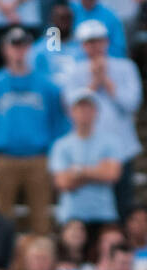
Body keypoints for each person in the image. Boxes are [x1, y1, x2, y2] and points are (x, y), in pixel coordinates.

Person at [0, 25, 67, 236]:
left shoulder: (47, 86)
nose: (19, 51)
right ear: (5, 50)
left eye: (23, 46)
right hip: (3, 159)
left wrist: (55, 157)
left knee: (41, 222)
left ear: (29, 49)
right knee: (1, 221)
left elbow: (59, 123)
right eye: (14, 46)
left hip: (39, 159)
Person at [64, 19, 141, 219]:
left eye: (98, 41)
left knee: (123, 203)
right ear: (82, 45)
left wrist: (106, 81)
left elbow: (131, 104)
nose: (95, 46)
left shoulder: (126, 67)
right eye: (90, 42)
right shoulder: (74, 71)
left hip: (122, 147)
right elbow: (71, 108)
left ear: (106, 42)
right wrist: (93, 82)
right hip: (87, 151)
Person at [49, 87, 121, 234]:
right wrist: (97, 172)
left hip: (104, 213)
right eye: (80, 108)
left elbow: (112, 175)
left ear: (96, 112)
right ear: (71, 112)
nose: (84, 113)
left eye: (88, 108)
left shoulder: (110, 142)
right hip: (72, 215)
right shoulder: (61, 145)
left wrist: (78, 171)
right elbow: (62, 182)